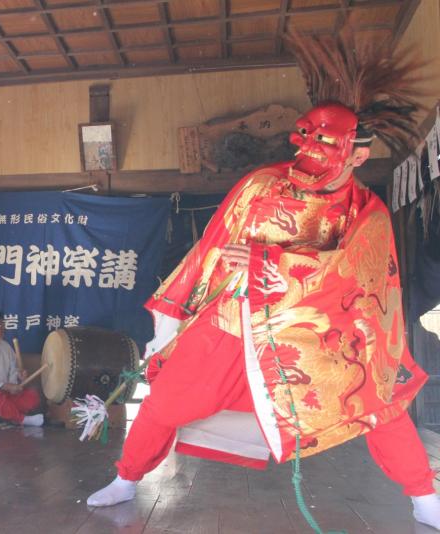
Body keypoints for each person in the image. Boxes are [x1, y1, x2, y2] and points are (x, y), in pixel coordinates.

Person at [86, 29, 440, 530]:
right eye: (307, 145)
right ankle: (126, 478)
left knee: (379, 400)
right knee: (165, 400)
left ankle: (424, 496)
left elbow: (357, 277)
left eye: (328, 151)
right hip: (234, 319)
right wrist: (174, 316)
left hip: (319, 335)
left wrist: (267, 262)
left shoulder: (368, 211)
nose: (308, 161)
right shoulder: (261, 184)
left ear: (359, 157)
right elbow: (210, 249)